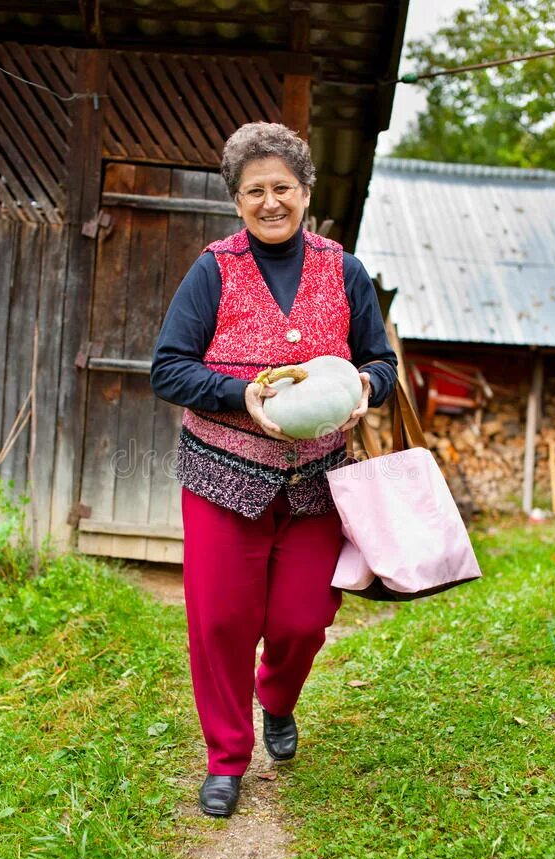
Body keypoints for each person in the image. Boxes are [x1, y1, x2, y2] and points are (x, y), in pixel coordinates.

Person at [150, 122, 397, 818]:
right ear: (235, 200)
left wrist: (363, 392)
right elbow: (167, 368)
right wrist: (241, 395)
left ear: (305, 192)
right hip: (222, 478)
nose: (269, 202)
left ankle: (277, 699)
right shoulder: (213, 270)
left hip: (317, 484)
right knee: (220, 621)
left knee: (301, 619)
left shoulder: (342, 270)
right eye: (253, 191)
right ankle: (225, 759)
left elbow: (381, 361)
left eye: (281, 188)